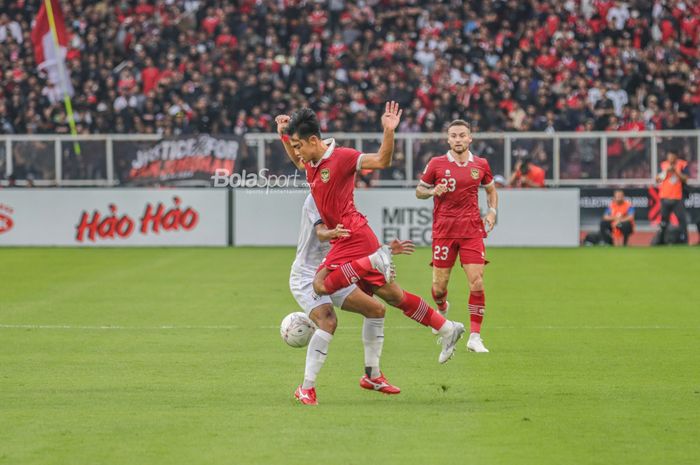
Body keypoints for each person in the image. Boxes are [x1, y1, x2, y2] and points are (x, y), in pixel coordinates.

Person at [276, 102, 466, 367]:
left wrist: (389, 130)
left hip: (351, 237)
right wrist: (283, 136)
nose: (296, 153)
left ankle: (377, 259)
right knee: (392, 295)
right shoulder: (312, 162)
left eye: (298, 146)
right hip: (353, 238)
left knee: (320, 284)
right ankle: (447, 328)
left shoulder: (341, 157)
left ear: (313, 140)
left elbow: (382, 160)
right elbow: (298, 160)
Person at [290, 194, 414, 405]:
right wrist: (333, 233)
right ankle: (306, 388)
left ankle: (372, 376)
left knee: (376, 310)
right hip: (307, 275)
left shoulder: (344, 201)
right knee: (328, 321)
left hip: (334, 272)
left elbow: (358, 243)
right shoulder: (315, 198)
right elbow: (320, 234)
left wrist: (386, 249)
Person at [415, 120, 498, 353]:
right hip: (444, 232)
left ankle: (475, 336)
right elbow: (419, 191)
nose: (458, 139)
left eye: (462, 135)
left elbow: (491, 190)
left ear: (470, 138)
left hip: (471, 231)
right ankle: (442, 309)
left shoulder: (480, 164)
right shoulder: (436, 164)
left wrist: (492, 212)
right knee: (439, 288)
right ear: (448, 139)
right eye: (454, 135)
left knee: (477, 281)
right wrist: (432, 190)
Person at [655, 149, 689, 244]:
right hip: (665, 198)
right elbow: (657, 179)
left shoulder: (682, 164)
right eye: (669, 157)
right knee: (663, 222)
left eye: (672, 157)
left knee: (682, 221)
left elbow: (685, 179)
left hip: (677, 198)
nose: (671, 159)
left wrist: (676, 172)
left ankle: (684, 241)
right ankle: (661, 241)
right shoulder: (663, 165)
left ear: (676, 157)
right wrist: (666, 171)